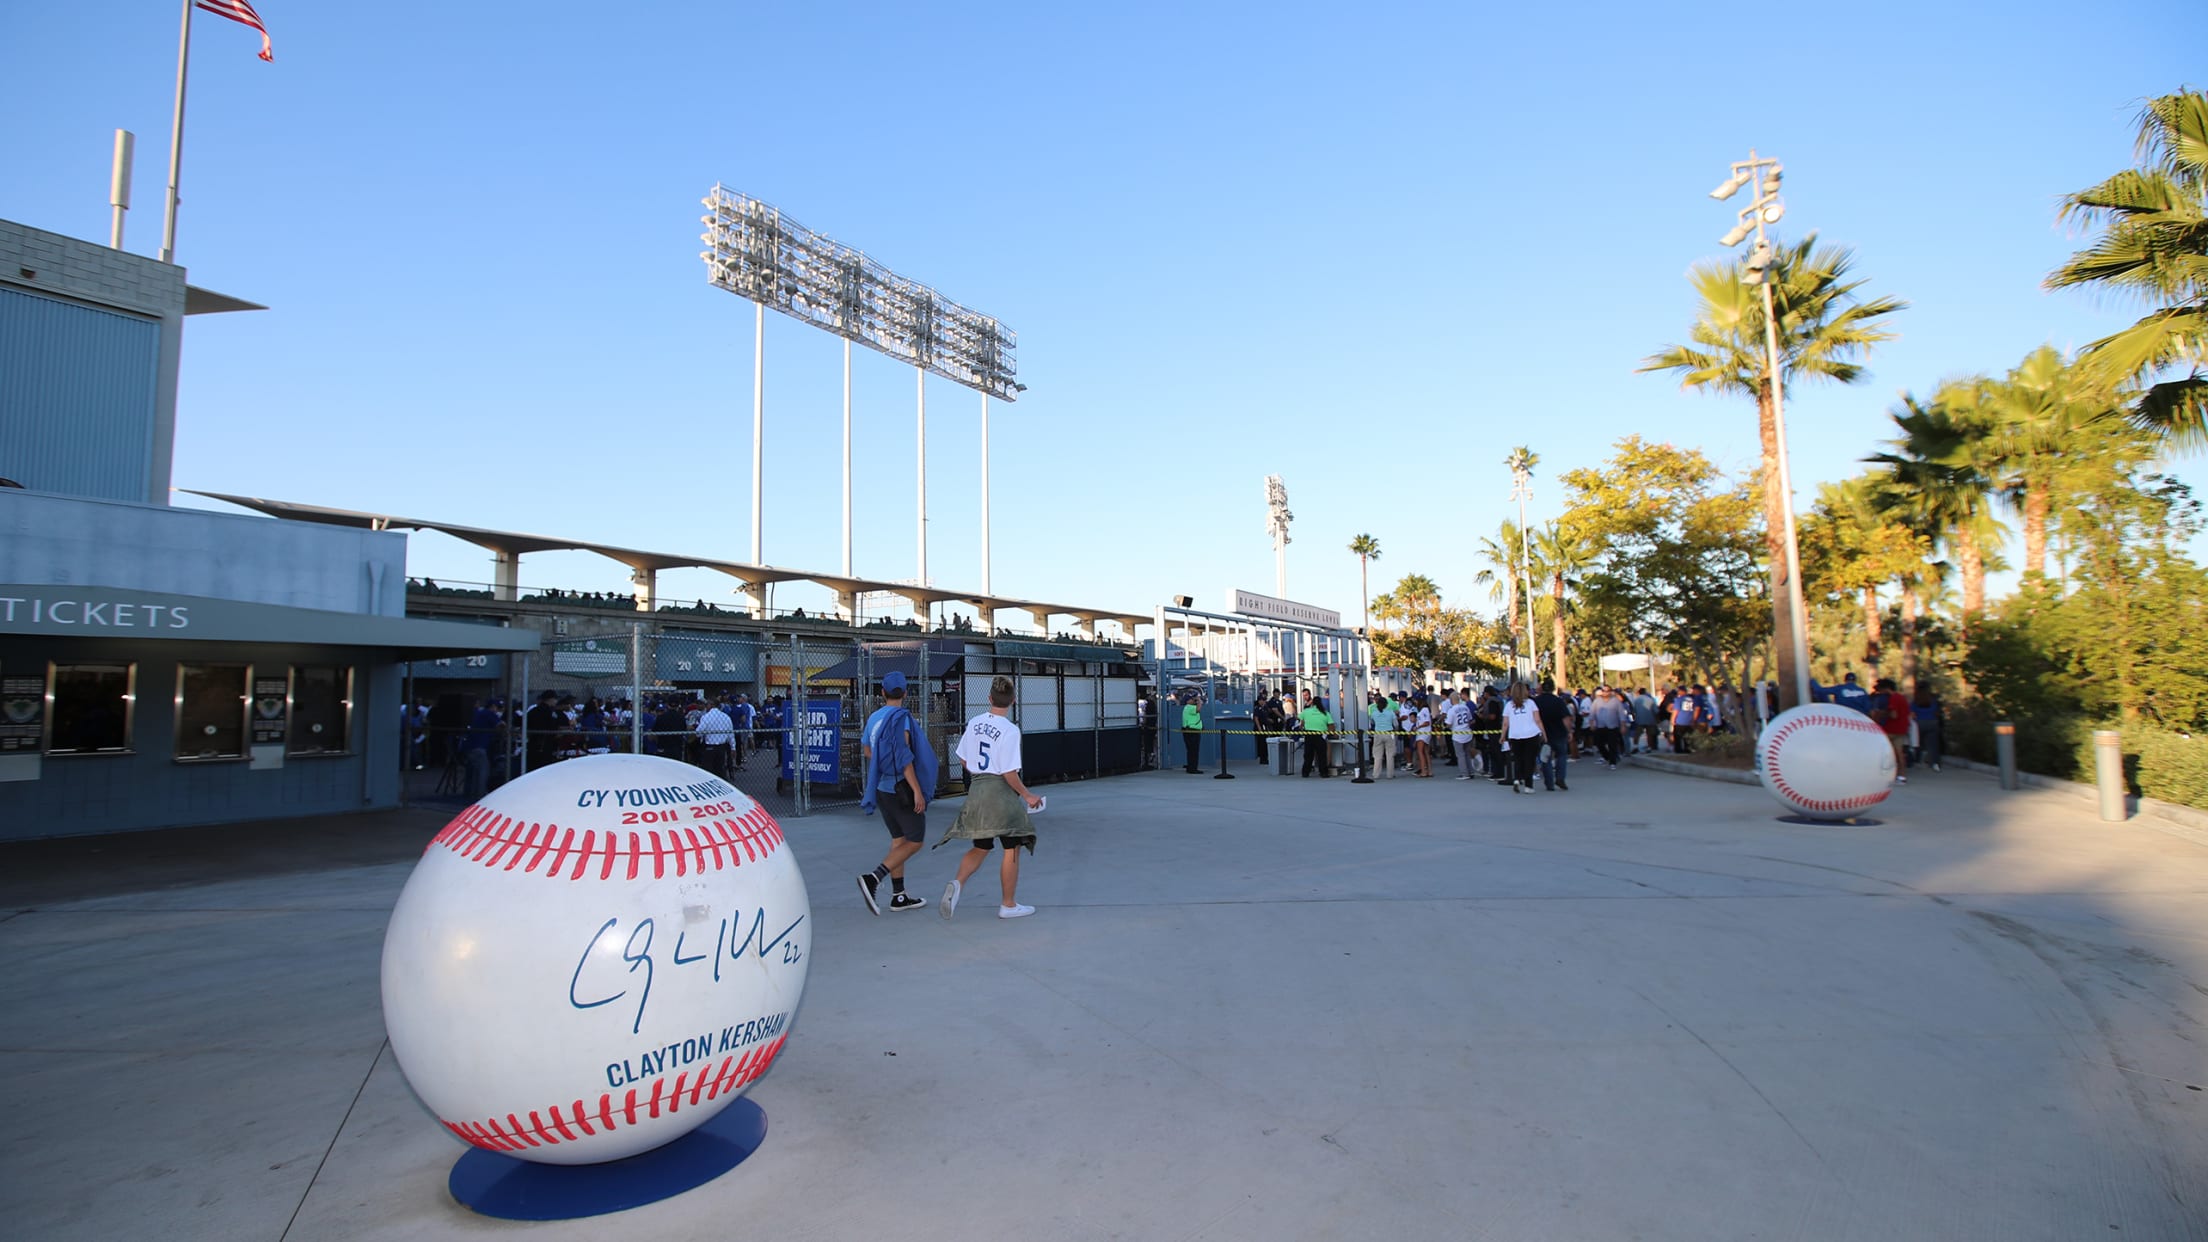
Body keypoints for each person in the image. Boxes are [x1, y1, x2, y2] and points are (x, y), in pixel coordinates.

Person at [936, 676, 1046, 920]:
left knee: (981, 845)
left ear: (989, 698)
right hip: (1000, 792)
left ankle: (958, 882)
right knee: (1012, 845)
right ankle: (1008, 904)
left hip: (977, 789)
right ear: (1013, 701)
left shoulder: (974, 723)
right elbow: (1008, 771)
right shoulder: (1010, 730)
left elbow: (964, 759)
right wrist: (1027, 795)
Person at [857, 671, 936, 914]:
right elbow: (904, 758)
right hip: (901, 788)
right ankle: (873, 878)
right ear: (905, 693)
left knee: (898, 840)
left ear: (882, 693)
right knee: (915, 840)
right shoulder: (901, 718)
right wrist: (917, 791)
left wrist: (884, 762)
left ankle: (899, 896)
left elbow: (868, 751)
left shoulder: (874, 718)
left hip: (881, 788)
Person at [1502, 681, 1545, 794]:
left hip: (1515, 735)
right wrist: (1543, 733)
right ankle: (1528, 785)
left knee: (1518, 759)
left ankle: (1517, 779)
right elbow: (1537, 720)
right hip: (1531, 734)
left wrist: (1503, 736)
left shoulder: (1509, 705)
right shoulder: (1531, 703)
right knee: (1529, 760)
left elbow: (1505, 723)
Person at [1533, 678, 1575, 792]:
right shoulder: (1559, 701)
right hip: (1559, 733)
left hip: (1543, 734)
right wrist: (1569, 731)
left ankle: (1549, 782)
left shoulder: (1536, 702)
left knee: (1545, 758)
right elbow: (1566, 718)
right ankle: (1560, 778)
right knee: (1561, 755)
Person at [1872, 677, 1912, 783]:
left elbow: (1894, 715)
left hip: (1891, 729)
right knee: (1899, 753)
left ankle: (1881, 774)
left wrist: (1881, 714)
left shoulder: (1893, 698)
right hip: (1902, 728)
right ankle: (1902, 776)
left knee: (1881, 751)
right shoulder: (1901, 698)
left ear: (1886, 688)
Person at [694, 697, 735, 779]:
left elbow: (698, 733)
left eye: (707, 704)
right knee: (720, 767)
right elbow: (731, 734)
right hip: (722, 746)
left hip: (709, 746)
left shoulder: (706, 717)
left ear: (711, 705)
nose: (706, 706)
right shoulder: (726, 717)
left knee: (708, 769)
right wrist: (733, 747)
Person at [524, 690, 563, 772]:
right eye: (555, 699)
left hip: (533, 743)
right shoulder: (550, 712)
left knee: (532, 769)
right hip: (545, 744)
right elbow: (554, 728)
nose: (556, 701)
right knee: (544, 768)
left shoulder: (533, 710)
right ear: (550, 699)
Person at [1588, 686, 1626, 769]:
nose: (1605, 692)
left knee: (1612, 744)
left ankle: (1613, 762)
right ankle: (1607, 757)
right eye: (1603, 691)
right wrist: (1592, 724)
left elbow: (1621, 714)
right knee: (1599, 743)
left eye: (1607, 691)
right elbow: (1592, 713)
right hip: (1600, 726)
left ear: (1610, 692)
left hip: (1612, 726)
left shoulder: (1616, 701)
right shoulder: (1597, 701)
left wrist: (1623, 725)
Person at [1298, 691, 1334, 777]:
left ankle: (1305, 772)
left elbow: (1300, 719)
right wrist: (1330, 733)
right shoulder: (1325, 713)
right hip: (1321, 735)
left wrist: (1303, 725)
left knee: (1308, 755)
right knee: (1321, 755)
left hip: (1309, 734)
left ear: (1312, 703)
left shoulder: (1306, 711)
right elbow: (1331, 725)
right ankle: (1323, 773)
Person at [1911, 684, 1945, 772]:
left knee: (1917, 743)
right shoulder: (1933, 701)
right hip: (1932, 723)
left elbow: (1912, 714)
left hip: (1919, 723)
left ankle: (1916, 760)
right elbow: (1937, 713)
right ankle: (1935, 763)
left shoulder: (1915, 702)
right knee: (1933, 745)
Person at [1446, 689, 1477, 779]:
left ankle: (1464, 773)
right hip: (1467, 732)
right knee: (1467, 753)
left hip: (1458, 735)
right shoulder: (1465, 707)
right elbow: (1470, 719)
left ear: (1451, 700)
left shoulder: (1452, 710)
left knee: (1460, 755)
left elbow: (1449, 723)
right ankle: (1470, 771)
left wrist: (1446, 726)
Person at [1370, 690, 1400, 779]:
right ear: (1386, 704)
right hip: (1389, 733)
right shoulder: (1390, 712)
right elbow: (1396, 724)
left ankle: (1376, 774)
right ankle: (1390, 774)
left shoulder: (1374, 712)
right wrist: (1396, 731)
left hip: (1378, 733)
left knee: (1377, 755)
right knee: (1390, 755)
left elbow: (1372, 722)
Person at [1181, 692, 1205, 774]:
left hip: (1188, 730)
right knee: (1194, 751)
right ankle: (1193, 768)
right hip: (1192, 731)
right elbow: (1198, 709)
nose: (1193, 700)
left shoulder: (1187, 708)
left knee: (1190, 750)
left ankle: (1190, 766)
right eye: (1191, 699)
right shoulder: (1190, 707)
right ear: (1187, 701)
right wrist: (1198, 700)